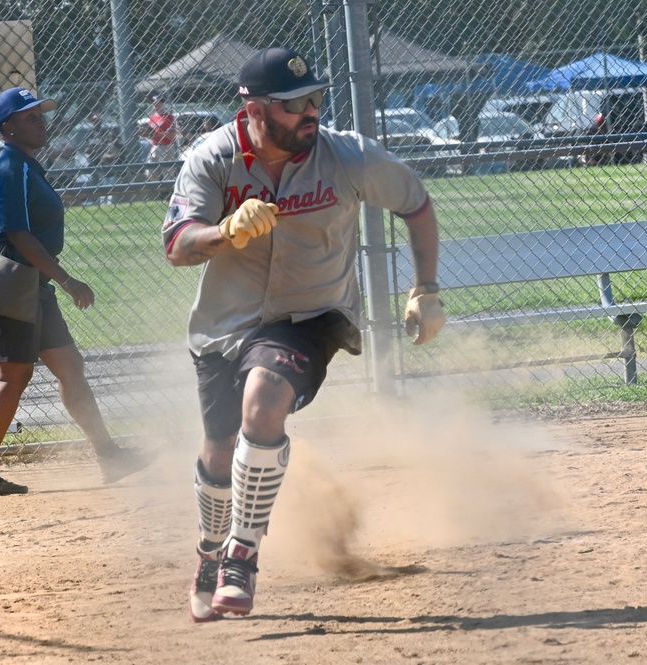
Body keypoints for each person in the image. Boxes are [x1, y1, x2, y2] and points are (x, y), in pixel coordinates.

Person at [162, 47, 446, 621]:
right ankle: (210, 551)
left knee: (264, 401)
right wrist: (225, 232)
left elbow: (416, 203)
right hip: (224, 327)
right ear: (256, 109)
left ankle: (242, 554)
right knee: (219, 453)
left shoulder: (346, 156)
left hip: (310, 318)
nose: (310, 111)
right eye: (295, 105)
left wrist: (427, 288)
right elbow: (177, 245)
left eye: (315, 99)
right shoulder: (212, 159)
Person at [0, 87, 152, 497]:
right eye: (30, 117)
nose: (40, 122)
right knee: (14, 376)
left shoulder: (26, 164)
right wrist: (66, 280)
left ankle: (109, 456)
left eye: (41, 115)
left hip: (31, 281)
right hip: (11, 276)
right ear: (7, 127)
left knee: (69, 366)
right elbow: (17, 233)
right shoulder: (11, 165)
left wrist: (53, 280)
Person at [145, 95, 179, 178]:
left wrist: (157, 133)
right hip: (155, 146)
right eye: (153, 102)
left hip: (166, 147)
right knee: (150, 173)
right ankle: (160, 190)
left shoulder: (168, 117)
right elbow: (151, 135)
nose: (154, 104)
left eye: (156, 102)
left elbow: (172, 135)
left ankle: (168, 190)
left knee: (168, 175)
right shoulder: (152, 117)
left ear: (162, 103)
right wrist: (145, 134)